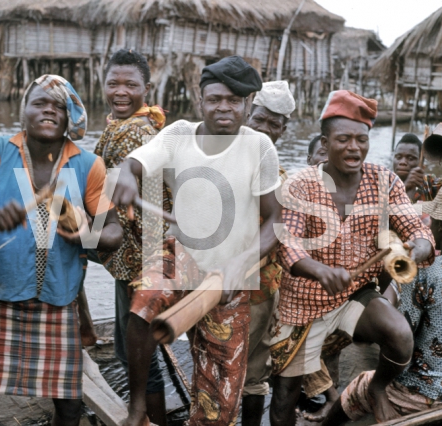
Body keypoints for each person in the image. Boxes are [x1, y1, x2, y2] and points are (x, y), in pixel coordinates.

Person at [111, 55, 281, 425]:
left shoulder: (260, 147)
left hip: (232, 275)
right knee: (142, 305)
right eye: (215, 99)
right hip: (183, 254)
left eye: (234, 101)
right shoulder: (178, 134)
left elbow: (275, 219)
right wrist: (126, 173)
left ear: (248, 104)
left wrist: (241, 262)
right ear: (200, 99)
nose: (224, 107)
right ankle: (137, 406)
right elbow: (138, 161)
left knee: (217, 410)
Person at [0, 75, 123, 426]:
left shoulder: (87, 165)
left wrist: (88, 234)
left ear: (70, 116)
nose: (49, 111)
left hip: (58, 301)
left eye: (58, 106)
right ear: (23, 110)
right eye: (39, 102)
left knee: (70, 407)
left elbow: (114, 232)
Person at [270, 90, 435, 425]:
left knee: (400, 336)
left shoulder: (384, 179)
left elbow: (416, 228)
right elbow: (287, 245)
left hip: (354, 295)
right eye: (343, 139)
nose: (354, 148)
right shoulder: (301, 184)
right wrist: (319, 270)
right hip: (303, 303)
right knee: (285, 396)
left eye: (362, 139)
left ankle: (375, 387)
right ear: (325, 141)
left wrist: (418, 245)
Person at [324, 180, 442, 425]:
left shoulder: (425, 271)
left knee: (360, 386)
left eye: (432, 220)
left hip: (430, 394)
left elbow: (401, 340)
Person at [92, 49, 170, 426]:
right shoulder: (126, 125)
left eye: (130, 85)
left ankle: (149, 420)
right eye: (113, 83)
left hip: (139, 259)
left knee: (135, 353)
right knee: (138, 348)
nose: (120, 91)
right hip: (138, 254)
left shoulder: (134, 132)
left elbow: (111, 203)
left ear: (147, 88)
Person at [242, 80, 294, 425]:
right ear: (247, 115)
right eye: (258, 120)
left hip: (260, 287)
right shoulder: (221, 161)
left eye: (273, 124)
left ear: (283, 131)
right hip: (215, 283)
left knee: (254, 370)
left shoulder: (281, 178)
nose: (263, 129)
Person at [392, 128, 442, 203]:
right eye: (398, 157)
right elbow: (381, 209)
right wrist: (406, 186)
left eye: (410, 158)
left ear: (422, 167)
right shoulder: (385, 182)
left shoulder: (428, 183)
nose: (403, 162)